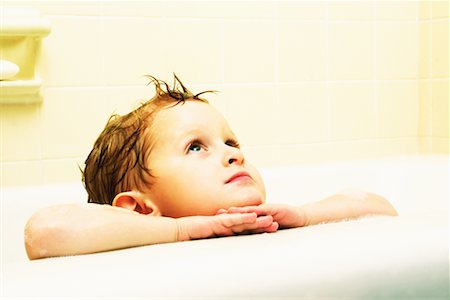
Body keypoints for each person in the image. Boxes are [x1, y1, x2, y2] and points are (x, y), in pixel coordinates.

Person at [24, 74, 398, 260]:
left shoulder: (270, 222)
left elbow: (379, 208)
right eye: (196, 146)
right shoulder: (150, 249)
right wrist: (181, 230)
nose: (233, 155)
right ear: (140, 209)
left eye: (231, 143)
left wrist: (302, 215)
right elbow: (44, 233)